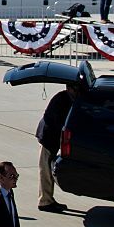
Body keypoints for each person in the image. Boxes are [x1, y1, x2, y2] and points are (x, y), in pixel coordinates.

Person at [35, 83, 79, 212]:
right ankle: (44, 201)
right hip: (48, 137)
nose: (77, 92)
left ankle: (48, 198)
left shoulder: (70, 99)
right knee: (46, 170)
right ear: (69, 88)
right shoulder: (61, 100)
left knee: (48, 168)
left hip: (53, 138)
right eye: (75, 89)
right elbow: (56, 121)